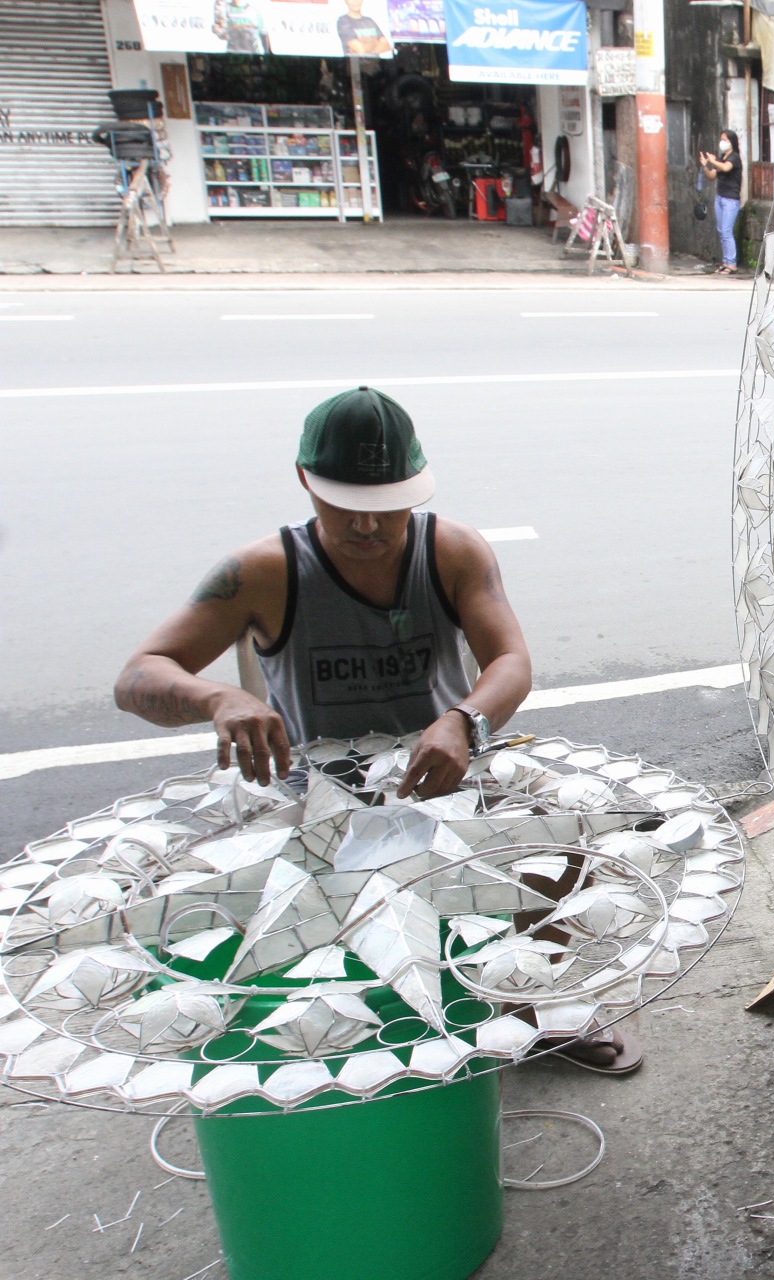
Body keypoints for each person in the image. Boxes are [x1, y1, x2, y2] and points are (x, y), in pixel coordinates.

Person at [114, 386, 642, 1075]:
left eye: (387, 508)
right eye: (347, 508)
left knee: (553, 844)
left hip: (446, 775)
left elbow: (509, 660)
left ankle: (544, 1010)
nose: (368, 527)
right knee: (237, 907)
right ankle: (334, 1046)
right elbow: (137, 677)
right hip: (317, 800)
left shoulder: (451, 550)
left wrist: (463, 720)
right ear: (306, 482)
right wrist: (216, 698)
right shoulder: (263, 571)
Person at [698, 129, 743, 276]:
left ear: (731, 142)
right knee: (721, 231)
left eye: (725, 140)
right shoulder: (722, 158)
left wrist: (712, 161)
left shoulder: (734, 158)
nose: (722, 142)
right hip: (720, 198)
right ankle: (725, 262)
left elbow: (725, 167)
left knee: (726, 231)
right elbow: (712, 175)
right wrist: (705, 165)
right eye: (721, 139)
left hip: (731, 200)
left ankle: (732, 264)